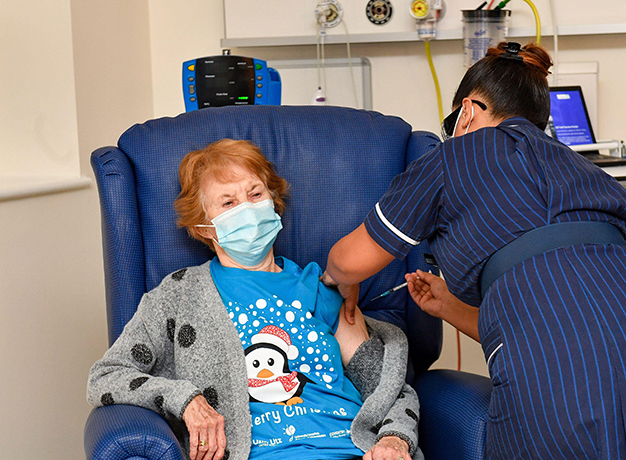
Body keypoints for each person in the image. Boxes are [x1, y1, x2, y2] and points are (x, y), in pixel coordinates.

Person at [323, 42, 626, 459]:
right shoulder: (581, 166)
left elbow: (349, 261)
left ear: (467, 112)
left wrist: (336, 281)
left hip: (560, 361)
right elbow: (572, 307)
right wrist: (448, 307)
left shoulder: (454, 156)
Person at [87, 139, 423, 460]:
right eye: (228, 202)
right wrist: (185, 400)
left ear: (273, 201)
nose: (247, 208)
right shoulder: (179, 295)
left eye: (255, 193)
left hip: (351, 449)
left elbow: (386, 387)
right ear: (205, 227)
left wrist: (395, 439)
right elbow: (106, 376)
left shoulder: (320, 287)